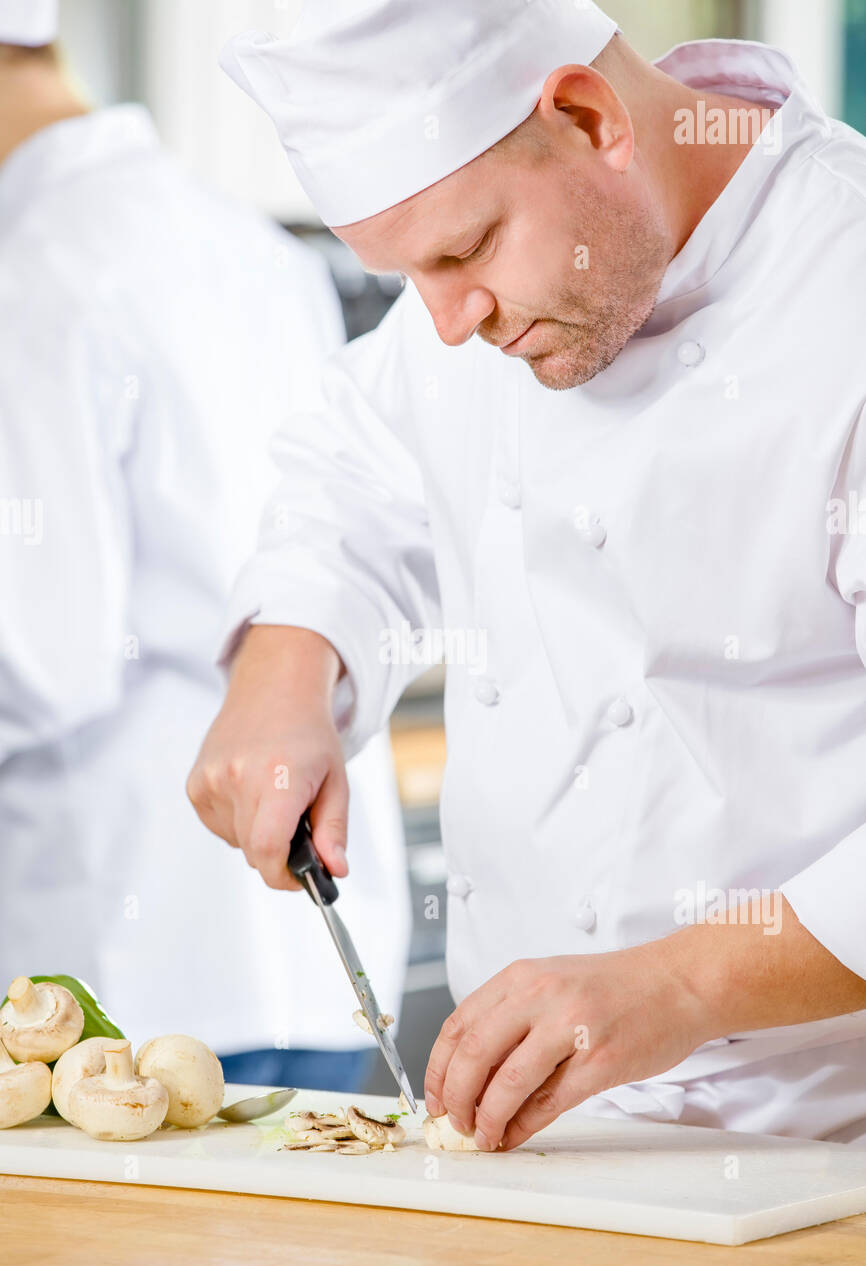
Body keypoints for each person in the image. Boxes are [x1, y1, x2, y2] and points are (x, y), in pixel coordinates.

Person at [189, 0, 866, 1148]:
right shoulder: (494, 289)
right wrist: (284, 667)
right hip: (527, 1155)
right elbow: (358, 474)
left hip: (818, 1162)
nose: (448, 324)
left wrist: (682, 985)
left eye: (459, 252)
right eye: (408, 278)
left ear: (586, 114)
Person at [0, 0, 411, 1092]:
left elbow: (41, 655)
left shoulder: (30, 267)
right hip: (306, 948)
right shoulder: (238, 236)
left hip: (122, 972)